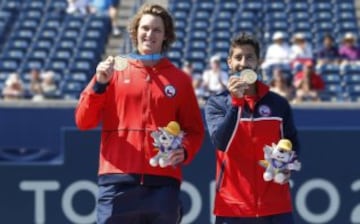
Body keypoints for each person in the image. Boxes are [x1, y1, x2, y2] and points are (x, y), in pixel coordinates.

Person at [75, 3, 204, 224]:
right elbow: (84, 121)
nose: (150, 34)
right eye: (145, 28)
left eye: (157, 30)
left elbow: (194, 130)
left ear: (166, 36)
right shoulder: (112, 70)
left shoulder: (180, 79)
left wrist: (184, 150)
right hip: (117, 181)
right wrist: (98, 85)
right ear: (135, 32)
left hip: (163, 184)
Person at [205, 33, 299, 224]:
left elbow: (292, 142)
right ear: (229, 63)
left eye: (249, 57)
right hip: (232, 207)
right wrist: (235, 102)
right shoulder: (216, 104)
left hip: (276, 207)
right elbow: (221, 142)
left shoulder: (278, 104)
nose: (243, 62)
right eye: (238, 57)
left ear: (259, 62)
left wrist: (289, 166)